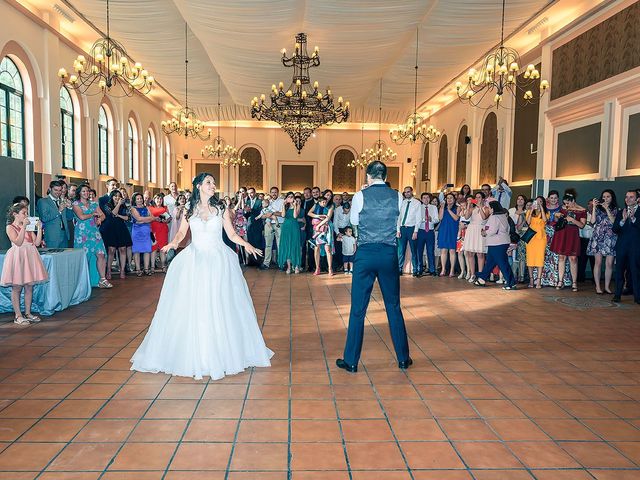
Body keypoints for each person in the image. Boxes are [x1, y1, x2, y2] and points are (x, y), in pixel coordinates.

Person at [130, 173, 272, 380]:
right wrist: (173, 243)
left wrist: (246, 244)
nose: (213, 186)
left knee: (220, 303)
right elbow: (181, 234)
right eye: (209, 183)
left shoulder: (221, 208)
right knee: (196, 305)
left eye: (214, 183)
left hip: (218, 260)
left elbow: (231, 234)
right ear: (198, 186)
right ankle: (197, 352)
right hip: (195, 260)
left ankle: (223, 352)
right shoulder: (189, 209)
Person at [337, 161, 411, 373]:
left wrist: (362, 197)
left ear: (369, 175)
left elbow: (354, 221)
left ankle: (351, 361)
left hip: (366, 254)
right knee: (393, 306)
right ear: (386, 176)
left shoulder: (361, 195)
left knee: (358, 309)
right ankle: (403, 358)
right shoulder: (397, 196)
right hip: (388, 253)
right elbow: (397, 224)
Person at [1, 203, 47, 324]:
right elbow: (18, 242)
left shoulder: (28, 227)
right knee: (17, 287)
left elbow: (37, 243)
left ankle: (28, 312)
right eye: (24, 213)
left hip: (30, 256)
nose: (26, 215)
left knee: (29, 286)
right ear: (15, 214)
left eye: (27, 213)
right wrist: (23, 227)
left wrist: (39, 229)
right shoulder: (10, 227)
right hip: (18, 257)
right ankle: (18, 315)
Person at [72, 185, 111, 289]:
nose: (86, 193)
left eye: (87, 191)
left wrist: (100, 219)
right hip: (82, 233)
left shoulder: (94, 203)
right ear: (79, 193)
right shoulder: (76, 204)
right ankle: (82, 281)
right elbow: (81, 216)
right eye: (83, 191)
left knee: (101, 254)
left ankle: (102, 279)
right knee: (84, 257)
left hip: (94, 233)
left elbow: (103, 215)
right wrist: (93, 214)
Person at [474, 201, 517, 290]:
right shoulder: (503, 216)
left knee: (503, 263)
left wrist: (483, 232)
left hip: (496, 244)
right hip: (501, 242)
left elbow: (491, 230)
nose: (488, 209)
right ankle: (482, 279)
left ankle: (511, 283)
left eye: (489, 208)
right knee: (490, 263)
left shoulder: (494, 217)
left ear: (493, 208)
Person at [550, 192, 586, 292]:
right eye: (565, 203)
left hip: (573, 234)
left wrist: (572, 220)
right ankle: (560, 281)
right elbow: (557, 221)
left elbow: (582, 225)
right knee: (561, 257)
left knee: (573, 258)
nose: (566, 205)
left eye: (568, 203)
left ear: (573, 201)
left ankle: (574, 282)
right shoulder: (563, 209)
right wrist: (557, 216)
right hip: (562, 233)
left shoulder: (582, 210)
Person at [612, 190, 640, 304]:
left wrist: (633, 219)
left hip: (636, 247)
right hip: (622, 247)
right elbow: (615, 229)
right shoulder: (621, 212)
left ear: (637, 199)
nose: (628, 199)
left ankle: (637, 297)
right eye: (626, 197)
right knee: (619, 271)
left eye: (631, 197)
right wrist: (622, 220)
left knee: (635, 272)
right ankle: (617, 295)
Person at [587, 190, 618, 294]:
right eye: (604, 196)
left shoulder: (616, 209)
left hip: (610, 238)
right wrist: (595, 207)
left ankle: (607, 286)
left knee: (609, 264)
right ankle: (598, 287)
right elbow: (592, 222)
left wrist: (607, 209)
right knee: (598, 262)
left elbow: (614, 222)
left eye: (608, 196)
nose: (605, 198)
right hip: (598, 237)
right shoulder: (598, 209)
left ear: (612, 198)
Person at [100, 190, 133, 280]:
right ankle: (108, 271)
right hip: (111, 229)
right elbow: (112, 214)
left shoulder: (124, 205)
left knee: (123, 249)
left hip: (121, 228)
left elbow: (128, 217)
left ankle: (122, 270)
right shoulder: (107, 205)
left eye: (119, 196)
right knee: (111, 250)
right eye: (115, 196)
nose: (117, 198)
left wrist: (119, 215)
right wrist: (118, 205)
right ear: (112, 197)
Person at [463, 192, 489, 283]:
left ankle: (481, 275)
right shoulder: (472, 208)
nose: (477, 199)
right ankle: (472, 273)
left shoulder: (486, 208)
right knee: (470, 253)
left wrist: (479, 207)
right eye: (476, 197)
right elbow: (466, 217)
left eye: (479, 197)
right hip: (471, 229)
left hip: (480, 230)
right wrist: (469, 205)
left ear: (483, 199)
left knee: (480, 254)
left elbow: (484, 218)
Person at [130, 193, 157, 276]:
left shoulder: (147, 208)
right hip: (137, 231)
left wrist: (142, 220)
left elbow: (152, 218)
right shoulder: (133, 209)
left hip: (146, 231)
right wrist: (146, 219)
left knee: (147, 250)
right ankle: (138, 269)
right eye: (137, 199)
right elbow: (138, 218)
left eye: (140, 198)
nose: (139, 200)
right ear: (134, 200)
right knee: (136, 250)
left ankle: (146, 269)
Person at [309, 190, 335, 275]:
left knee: (328, 248)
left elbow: (328, 218)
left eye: (330, 196)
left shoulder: (331, 205)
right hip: (317, 226)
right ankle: (317, 268)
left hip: (326, 227)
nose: (329, 197)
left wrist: (319, 225)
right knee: (317, 248)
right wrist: (317, 216)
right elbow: (309, 213)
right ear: (323, 195)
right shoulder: (317, 204)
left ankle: (330, 268)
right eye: (327, 195)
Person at [397, 186, 422, 276]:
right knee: (401, 251)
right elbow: (399, 217)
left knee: (414, 250)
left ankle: (415, 270)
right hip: (403, 228)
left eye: (408, 192)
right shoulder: (402, 203)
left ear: (412, 192)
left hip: (412, 228)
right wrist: (398, 230)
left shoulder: (417, 203)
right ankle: (399, 269)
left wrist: (415, 231)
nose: (407, 193)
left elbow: (418, 218)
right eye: (405, 192)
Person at [37, 180, 69, 248]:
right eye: (55, 190)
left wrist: (70, 207)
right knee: (53, 257)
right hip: (52, 236)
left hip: (64, 235)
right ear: (50, 189)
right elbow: (44, 218)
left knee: (65, 257)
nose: (58, 192)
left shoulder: (62, 201)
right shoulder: (43, 201)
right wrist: (58, 211)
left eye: (60, 190)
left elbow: (69, 218)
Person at [525, 196, 548, 289]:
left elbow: (545, 220)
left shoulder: (546, 212)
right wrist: (531, 210)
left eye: (540, 202)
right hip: (531, 238)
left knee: (540, 259)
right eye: (537, 201)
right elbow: (528, 222)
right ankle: (531, 279)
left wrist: (541, 208)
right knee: (530, 259)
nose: (538, 203)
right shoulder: (529, 212)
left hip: (541, 238)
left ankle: (538, 280)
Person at [260, 187, 284, 270]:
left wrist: (272, 213)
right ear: (270, 193)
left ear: (278, 193)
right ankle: (266, 263)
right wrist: (268, 215)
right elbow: (262, 215)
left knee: (280, 244)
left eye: (275, 192)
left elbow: (282, 214)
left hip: (279, 224)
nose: (274, 194)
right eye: (272, 192)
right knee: (268, 245)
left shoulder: (282, 201)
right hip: (268, 224)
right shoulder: (267, 201)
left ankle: (281, 263)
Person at [278, 192, 302, 274]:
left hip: (294, 227)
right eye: (289, 197)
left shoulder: (297, 205)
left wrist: (295, 205)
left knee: (294, 246)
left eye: (292, 197)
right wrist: (283, 205)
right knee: (287, 246)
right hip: (286, 227)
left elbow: (295, 216)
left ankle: (296, 266)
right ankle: (289, 267)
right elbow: (283, 215)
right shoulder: (285, 206)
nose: (290, 198)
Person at [416, 192, 439, 276]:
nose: (426, 199)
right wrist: (423, 219)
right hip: (421, 231)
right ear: (421, 199)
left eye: (428, 198)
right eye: (424, 198)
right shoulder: (418, 207)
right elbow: (416, 219)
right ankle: (420, 269)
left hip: (430, 231)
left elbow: (437, 219)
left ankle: (432, 269)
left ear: (430, 199)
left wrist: (431, 219)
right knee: (419, 251)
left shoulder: (434, 207)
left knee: (430, 251)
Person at [438, 192, 460, 277]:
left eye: (451, 198)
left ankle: (452, 270)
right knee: (443, 250)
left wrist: (449, 210)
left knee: (452, 250)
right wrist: (443, 208)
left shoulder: (457, 208)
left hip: (453, 229)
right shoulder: (443, 207)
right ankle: (443, 269)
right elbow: (440, 218)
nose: (449, 200)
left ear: (454, 199)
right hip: (444, 229)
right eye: (448, 198)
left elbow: (456, 218)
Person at [509, 194, 528, 283]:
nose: (520, 200)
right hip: (513, 235)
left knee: (522, 256)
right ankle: (513, 275)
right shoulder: (511, 210)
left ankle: (522, 275)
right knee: (513, 256)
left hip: (524, 235)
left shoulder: (527, 211)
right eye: (518, 199)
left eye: (522, 199)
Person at [149, 194, 170, 273]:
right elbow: (148, 218)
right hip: (153, 231)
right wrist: (154, 219)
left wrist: (166, 220)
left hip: (163, 231)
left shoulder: (165, 208)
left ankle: (164, 266)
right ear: (154, 199)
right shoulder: (150, 208)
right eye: (157, 198)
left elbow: (169, 218)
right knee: (153, 249)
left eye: (161, 199)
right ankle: (152, 267)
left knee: (162, 249)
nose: (159, 200)